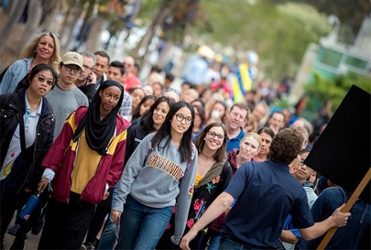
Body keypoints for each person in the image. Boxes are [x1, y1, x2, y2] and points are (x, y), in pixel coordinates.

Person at [180, 128, 351, 250]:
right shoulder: (295, 190)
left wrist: (194, 229)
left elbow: (225, 200)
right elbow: (308, 233)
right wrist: (332, 221)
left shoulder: (250, 169)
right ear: (295, 156)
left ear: (273, 146)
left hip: (229, 242)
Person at [37, 80, 131, 249]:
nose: (111, 100)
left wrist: (106, 186)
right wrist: (49, 170)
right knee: (51, 234)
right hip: (65, 184)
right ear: (100, 93)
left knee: (72, 240)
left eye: (116, 97)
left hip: (89, 193)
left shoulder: (120, 127)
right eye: (109, 95)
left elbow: (117, 163)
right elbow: (61, 143)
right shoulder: (80, 115)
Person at [112, 101, 198, 249]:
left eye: (187, 119)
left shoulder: (191, 152)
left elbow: (186, 193)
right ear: (171, 117)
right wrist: (119, 203)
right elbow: (130, 171)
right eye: (179, 116)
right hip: (134, 203)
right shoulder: (152, 139)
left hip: (161, 209)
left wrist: (179, 231)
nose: (183, 122)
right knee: (124, 246)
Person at [94, 96, 175, 250]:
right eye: (156, 109)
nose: (158, 113)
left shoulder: (170, 141)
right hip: (125, 182)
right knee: (113, 224)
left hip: (145, 191)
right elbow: (122, 159)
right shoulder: (137, 129)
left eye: (163, 111)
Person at [0, 64, 58, 249]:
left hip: (19, 170)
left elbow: (44, 150)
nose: (44, 84)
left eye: (49, 82)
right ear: (31, 78)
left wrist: (38, 177)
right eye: (41, 79)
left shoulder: (48, 117)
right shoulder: (6, 101)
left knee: (6, 207)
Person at [157, 123, 232, 249]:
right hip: (171, 216)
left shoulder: (225, 168)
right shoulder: (188, 155)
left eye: (220, 136)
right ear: (204, 135)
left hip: (197, 226)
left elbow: (220, 200)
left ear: (223, 141)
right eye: (212, 134)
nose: (215, 138)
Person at [207, 132, 262, 250]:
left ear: (257, 152)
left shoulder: (256, 173)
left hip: (226, 226)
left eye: (253, 147)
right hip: (208, 216)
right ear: (240, 143)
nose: (248, 149)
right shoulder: (224, 159)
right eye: (246, 143)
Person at [0, 30, 61, 94]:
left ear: (54, 52)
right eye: (43, 43)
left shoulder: (53, 77)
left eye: (50, 46)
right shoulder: (18, 65)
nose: (45, 47)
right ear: (36, 46)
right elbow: (2, 90)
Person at [44, 51, 89, 139]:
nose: (72, 72)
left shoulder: (82, 99)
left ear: (80, 73)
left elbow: (80, 130)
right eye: (69, 67)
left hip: (61, 149)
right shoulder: (46, 88)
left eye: (76, 69)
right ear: (60, 66)